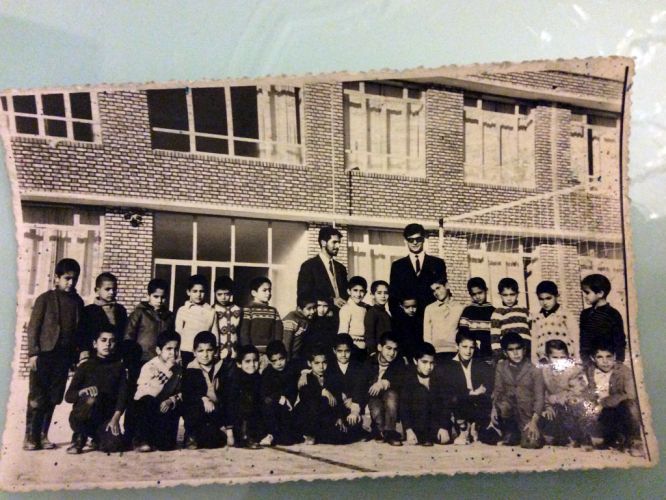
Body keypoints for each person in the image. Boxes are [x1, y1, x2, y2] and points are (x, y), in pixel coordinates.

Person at [25, 258, 85, 451]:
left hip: (63, 357)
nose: (71, 283)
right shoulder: (45, 299)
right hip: (44, 355)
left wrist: (75, 358)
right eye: (67, 278)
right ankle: (30, 437)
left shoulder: (77, 302)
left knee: (53, 397)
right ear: (57, 278)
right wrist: (33, 353)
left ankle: (43, 435)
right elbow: (33, 328)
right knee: (37, 397)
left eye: (74, 279)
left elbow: (78, 332)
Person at [122, 278, 175, 445]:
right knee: (136, 398)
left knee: (155, 397)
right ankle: (130, 434)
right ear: (149, 296)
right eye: (156, 296)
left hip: (160, 363)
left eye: (163, 297)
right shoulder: (140, 313)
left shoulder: (168, 316)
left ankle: (149, 434)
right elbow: (129, 337)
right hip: (140, 361)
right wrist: (130, 362)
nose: (160, 300)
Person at [64, 330, 128, 454]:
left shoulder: (118, 367)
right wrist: (82, 392)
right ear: (95, 344)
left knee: (113, 446)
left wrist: (115, 419)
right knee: (91, 399)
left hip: (105, 417)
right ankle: (79, 437)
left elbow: (122, 396)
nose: (107, 344)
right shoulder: (85, 366)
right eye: (103, 340)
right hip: (83, 416)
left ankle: (97, 438)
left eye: (112, 341)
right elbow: (68, 396)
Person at [294, 345, 362, 445]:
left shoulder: (331, 378)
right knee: (315, 403)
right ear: (310, 363)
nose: (321, 366)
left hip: (326, 417)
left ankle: (322, 434)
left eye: (324, 362)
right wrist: (322, 391)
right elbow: (305, 396)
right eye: (317, 363)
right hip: (309, 416)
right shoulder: (306, 378)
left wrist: (338, 418)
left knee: (341, 436)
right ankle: (311, 433)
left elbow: (338, 399)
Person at [585, 343, 643, 456]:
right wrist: (592, 402)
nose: (605, 361)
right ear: (593, 358)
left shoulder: (623, 371)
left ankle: (632, 440)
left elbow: (630, 394)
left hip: (616, 406)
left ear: (615, 356)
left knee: (629, 405)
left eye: (609, 356)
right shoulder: (589, 371)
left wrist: (604, 403)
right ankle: (602, 439)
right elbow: (586, 389)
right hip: (597, 407)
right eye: (599, 357)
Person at [440, 329, 496, 446]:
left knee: (483, 398)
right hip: (461, 405)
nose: (468, 351)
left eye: (471, 347)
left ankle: (475, 426)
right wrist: (472, 392)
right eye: (464, 347)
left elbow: (488, 385)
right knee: (458, 398)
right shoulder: (448, 366)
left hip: (478, 403)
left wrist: (480, 392)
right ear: (457, 346)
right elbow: (449, 390)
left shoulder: (481, 364)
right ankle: (463, 430)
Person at [491, 332, 544, 449]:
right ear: (505, 353)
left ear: (524, 350)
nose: (515, 353)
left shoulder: (534, 370)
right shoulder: (501, 367)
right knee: (502, 405)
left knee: (531, 444)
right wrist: (494, 410)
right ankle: (510, 431)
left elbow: (540, 398)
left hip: (527, 414)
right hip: (509, 413)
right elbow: (498, 391)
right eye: (511, 350)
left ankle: (526, 433)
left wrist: (534, 422)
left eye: (518, 349)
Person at [133, 330, 183, 452]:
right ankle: (142, 439)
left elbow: (182, 390)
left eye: (176, 349)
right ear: (159, 350)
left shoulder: (178, 369)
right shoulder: (150, 366)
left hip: (164, 406)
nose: (173, 353)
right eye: (168, 349)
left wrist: (171, 400)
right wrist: (167, 370)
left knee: (166, 446)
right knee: (147, 401)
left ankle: (160, 438)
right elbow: (147, 393)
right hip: (146, 408)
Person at [182, 331, 228, 450]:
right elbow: (188, 392)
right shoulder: (191, 369)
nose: (205, 355)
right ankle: (191, 435)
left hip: (215, 410)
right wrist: (203, 398)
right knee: (193, 406)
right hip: (198, 408)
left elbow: (226, 392)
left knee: (212, 442)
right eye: (200, 351)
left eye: (209, 350)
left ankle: (212, 432)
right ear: (194, 352)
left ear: (216, 351)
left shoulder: (221, 367)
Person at [388, 223, 447, 318]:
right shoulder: (398, 266)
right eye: (411, 240)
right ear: (405, 241)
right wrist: (401, 320)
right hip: (407, 324)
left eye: (418, 239)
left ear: (424, 239)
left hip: (433, 320)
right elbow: (393, 298)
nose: (415, 243)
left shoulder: (437, 264)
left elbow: (443, 293)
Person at [401, 342, 449, 446]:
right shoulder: (409, 378)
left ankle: (432, 434)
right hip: (415, 423)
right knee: (421, 392)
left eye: (431, 363)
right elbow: (404, 406)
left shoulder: (438, 377)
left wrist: (443, 427)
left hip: (434, 422)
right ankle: (422, 435)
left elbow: (445, 404)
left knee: (445, 440)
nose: (429, 367)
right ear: (415, 361)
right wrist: (408, 430)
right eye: (424, 362)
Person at [297, 226, 348, 318]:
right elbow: (304, 295)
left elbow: (346, 294)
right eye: (334, 242)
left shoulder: (341, 268)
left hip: (340, 319)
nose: (338, 246)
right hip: (319, 321)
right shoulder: (309, 266)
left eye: (339, 243)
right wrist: (331, 301)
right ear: (323, 242)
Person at [539, 339, 584, 446]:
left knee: (572, 410)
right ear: (548, 358)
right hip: (552, 406)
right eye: (555, 357)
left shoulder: (573, 370)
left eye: (562, 358)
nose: (559, 361)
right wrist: (547, 406)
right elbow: (542, 391)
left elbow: (577, 391)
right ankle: (556, 435)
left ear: (568, 357)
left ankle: (573, 436)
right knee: (546, 417)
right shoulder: (544, 371)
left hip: (569, 405)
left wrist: (560, 397)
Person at [364, 332, 405, 446]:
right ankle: (379, 430)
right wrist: (355, 403)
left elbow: (400, 380)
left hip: (390, 395)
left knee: (391, 398)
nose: (392, 353)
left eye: (395, 349)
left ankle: (390, 431)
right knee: (376, 408)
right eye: (388, 348)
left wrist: (384, 382)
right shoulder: (369, 361)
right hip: (374, 397)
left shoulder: (399, 362)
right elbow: (361, 383)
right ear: (379, 347)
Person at [78, 272, 128, 362]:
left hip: (115, 355)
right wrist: (84, 352)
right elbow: (83, 334)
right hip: (94, 356)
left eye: (114, 289)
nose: (111, 292)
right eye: (107, 289)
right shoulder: (89, 311)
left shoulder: (120, 310)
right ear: (97, 290)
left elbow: (123, 333)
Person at [260, 340, 301, 446]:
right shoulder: (267, 373)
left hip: (290, 406)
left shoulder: (292, 369)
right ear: (269, 361)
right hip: (275, 406)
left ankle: (280, 434)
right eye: (274, 361)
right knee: (268, 404)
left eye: (281, 359)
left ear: (286, 356)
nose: (279, 363)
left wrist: (304, 374)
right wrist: (280, 398)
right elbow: (265, 392)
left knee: (288, 440)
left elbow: (305, 365)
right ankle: (271, 434)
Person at [579, 274, 626, 363]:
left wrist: (619, 363)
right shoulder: (585, 314)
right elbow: (583, 342)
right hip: (590, 363)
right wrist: (586, 362)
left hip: (607, 362)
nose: (585, 296)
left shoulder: (613, 314)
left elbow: (620, 342)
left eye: (587, 292)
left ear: (600, 293)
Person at [224, 344, 264, 449]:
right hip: (237, 419)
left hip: (254, 418)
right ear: (238, 364)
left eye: (255, 361)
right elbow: (229, 406)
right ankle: (244, 436)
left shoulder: (258, 378)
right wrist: (230, 432)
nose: (252, 365)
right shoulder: (236, 380)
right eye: (247, 361)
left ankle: (254, 435)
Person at [326, 334, 366, 435]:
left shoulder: (358, 367)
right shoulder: (329, 367)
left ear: (351, 351)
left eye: (347, 351)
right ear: (334, 351)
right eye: (340, 351)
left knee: (352, 427)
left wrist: (353, 399)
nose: (343, 355)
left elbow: (360, 387)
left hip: (352, 404)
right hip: (336, 405)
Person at [531, 280, 579, 365]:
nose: (545, 302)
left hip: (563, 358)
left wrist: (577, 359)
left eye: (548, 298)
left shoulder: (565, 315)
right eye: (541, 299)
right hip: (545, 360)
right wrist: (534, 360)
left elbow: (575, 338)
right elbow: (534, 341)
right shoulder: (537, 317)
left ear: (557, 296)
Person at [175, 274, 216, 367]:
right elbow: (178, 332)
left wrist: (214, 354)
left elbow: (214, 334)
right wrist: (178, 354)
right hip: (186, 352)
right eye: (195, 291)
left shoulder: (211, 311)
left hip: (204, 353)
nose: (198, 294)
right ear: (188, 292)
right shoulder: (183, 310)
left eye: (201, 291)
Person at [239, 276, 284, 359]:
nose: (268, 293)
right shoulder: (248, 310)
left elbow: (278, 333)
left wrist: (275, 351)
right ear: (254, 293)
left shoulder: (273, 311)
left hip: (270, 354)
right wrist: (249, 352)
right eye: (264, 290)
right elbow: (244, 333)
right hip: (253, 354)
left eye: (269, 290)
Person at [423, 277, 464, 362]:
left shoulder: (460, 308)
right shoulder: (429, 308)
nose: (436, 293)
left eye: (438, 288)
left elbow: (462, 332)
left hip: (455, 352)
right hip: (436, 353)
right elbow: (427, 335)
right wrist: (430, 353)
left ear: (447, 285)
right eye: (433, 291)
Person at [490, 278, 531, 359]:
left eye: (512, 294)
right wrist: (499, 356)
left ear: (517, 294)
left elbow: (532, 331)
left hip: (527, 351)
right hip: (509, 353)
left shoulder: (524, 310)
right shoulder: (498, 312)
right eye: (505, 295)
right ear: (500, 295)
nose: (509, 298)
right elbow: (495, 337)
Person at [458, 277, 494, 361]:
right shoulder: (468, 311)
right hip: (472, 354)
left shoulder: (493, 311)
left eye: (480, 293)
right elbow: (463, 332)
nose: (477, 296)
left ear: (486, 290)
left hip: (489, 354)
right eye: (474, 294)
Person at [337, 276, 369, 360]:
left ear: (365, 292)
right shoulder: (346, 308)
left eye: (361, 291)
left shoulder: (364, 308)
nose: (358, 294)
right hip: (352, 349)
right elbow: (343, 332)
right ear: (348, 291)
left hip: (365, 348)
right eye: (355, 290)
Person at [212, 275, 242, 362]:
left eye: (226, 294)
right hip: (218, 354)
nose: (223, 297)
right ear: (215, 293)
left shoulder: (238, 309)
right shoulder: (212, 309)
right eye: (219, 294)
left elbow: (240, 332)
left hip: (234, 354)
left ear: (231, 293)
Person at [282, 296, 317, 362]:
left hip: (298, 357)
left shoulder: (306, 319)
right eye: (309, 309)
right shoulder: (291, 319)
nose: (312, 311)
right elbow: (286, 344)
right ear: (299, 308)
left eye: (314, 308)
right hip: (289, 358)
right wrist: (287, 361)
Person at [364, 280, 392, 356]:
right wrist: (373, 352)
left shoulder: (385, 313)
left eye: (386, 293)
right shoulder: (372, 312)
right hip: (377, 353)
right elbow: (369, 335)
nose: (383, 296)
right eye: (379, 293)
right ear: (373, 295)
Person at [391, 296, 423, 362]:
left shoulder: (420, 320)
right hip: (404, 356)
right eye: (407, 307)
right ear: (401, 306)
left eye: (414, 306)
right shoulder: (397, 322)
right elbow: (398, 341)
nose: (411, 310)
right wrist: (403, 355)